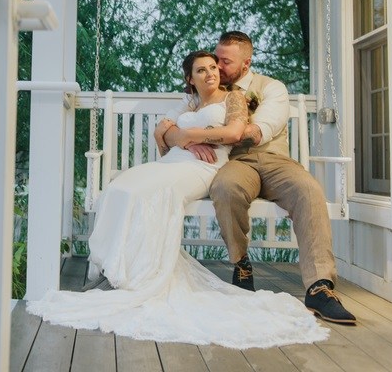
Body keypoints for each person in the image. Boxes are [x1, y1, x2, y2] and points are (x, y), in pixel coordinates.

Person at [27, 51, 328, 348]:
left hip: (204, 165)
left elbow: (235, 132)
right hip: (175, 160)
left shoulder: (234, 97)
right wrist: (184, 138)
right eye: (203, 69)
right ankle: (110, 269)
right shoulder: (189, 101)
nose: (212, 72)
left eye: (214, 67)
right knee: (120, 187)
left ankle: (137, 278)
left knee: (145, 193)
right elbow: (161, 132)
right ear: (190, 78)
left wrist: (191, 136)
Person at [155, 31, 356, 325]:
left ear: (246, 64)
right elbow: (167, 125)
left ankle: (319, 286)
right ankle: (241, 264)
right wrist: (187, 138)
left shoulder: (271, 88)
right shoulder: (202, 93)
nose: (217, 66)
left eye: (224, 61)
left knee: (309, 190)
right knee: (224, 188)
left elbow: (259, 129)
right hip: (237, 162)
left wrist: (219, 129)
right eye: (215, 58)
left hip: (274, 160)